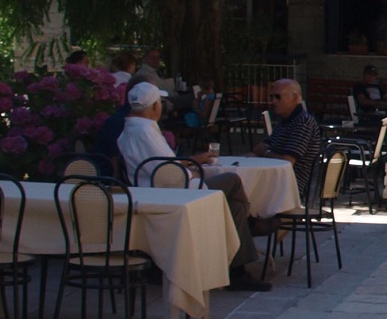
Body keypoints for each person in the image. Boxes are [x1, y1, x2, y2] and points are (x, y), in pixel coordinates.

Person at [115, 82, 271, 290]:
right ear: (155, 106)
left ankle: (239, 255)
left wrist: (193, 161)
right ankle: (244, 243)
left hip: (153, 188)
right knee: (232, 182)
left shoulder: (129, 131)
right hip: (172, 191)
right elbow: (167, 169)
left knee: (234, 203)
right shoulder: (146, 131)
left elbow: (160, 163)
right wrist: (194, 169)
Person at [254, 78, 323, 193]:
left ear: (295, 98)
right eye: (271, 97)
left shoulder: (303, 123)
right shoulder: (285, 121)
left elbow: (287, 162)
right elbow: (262, 148)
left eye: (278, 97)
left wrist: (265, 153)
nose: (273, 101)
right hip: (275, 179)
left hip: (289, 187)